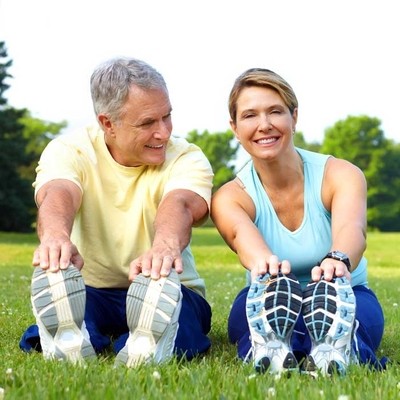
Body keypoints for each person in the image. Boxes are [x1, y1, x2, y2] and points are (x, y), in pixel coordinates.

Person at [20, 57, 214, 367]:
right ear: (108, 123)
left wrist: (164, 246)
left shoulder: (187, 157)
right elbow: (58, 192)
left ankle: (146, 340)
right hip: (92, 289)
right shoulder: (70, 150)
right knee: (81, 312)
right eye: (148, 123)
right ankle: (75, 337)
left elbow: (180, 203)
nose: (163, 132)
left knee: (183, 327)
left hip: (168, 287)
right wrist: (56, 237)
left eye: (167, 117)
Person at [211, 68, 386, 376]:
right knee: (249, 319)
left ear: (294, 117)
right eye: (250, 115)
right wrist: (266, 266)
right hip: (266, 294)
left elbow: (352, 228)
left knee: (355, 322)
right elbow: (241, 236)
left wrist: (338, 260)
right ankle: (271, 348)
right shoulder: (230, 197)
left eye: (275, 112)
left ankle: (338, 348)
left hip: (346, 293)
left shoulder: (341, 175)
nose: (264, 125)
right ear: (235, 128)